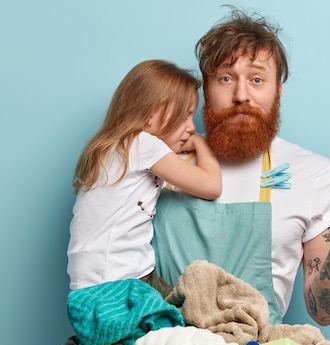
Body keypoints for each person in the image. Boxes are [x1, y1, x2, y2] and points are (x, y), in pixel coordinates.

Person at [151, 7, 330, 326]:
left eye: (257, 79)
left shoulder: (316, 175)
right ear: (205, 90)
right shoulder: (157, 160)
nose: (241, 95)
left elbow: (324, 310)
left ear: (277, 90)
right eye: (226, 78)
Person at [67, 59, 222, 294]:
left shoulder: (118, 148)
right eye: (184, 116)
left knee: (185, 310)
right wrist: (202, 143)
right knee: (191, 314)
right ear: (151, 114)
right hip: (118, 281)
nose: (191, 127)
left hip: (94, 281)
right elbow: (211, 186)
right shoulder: (142, 144)